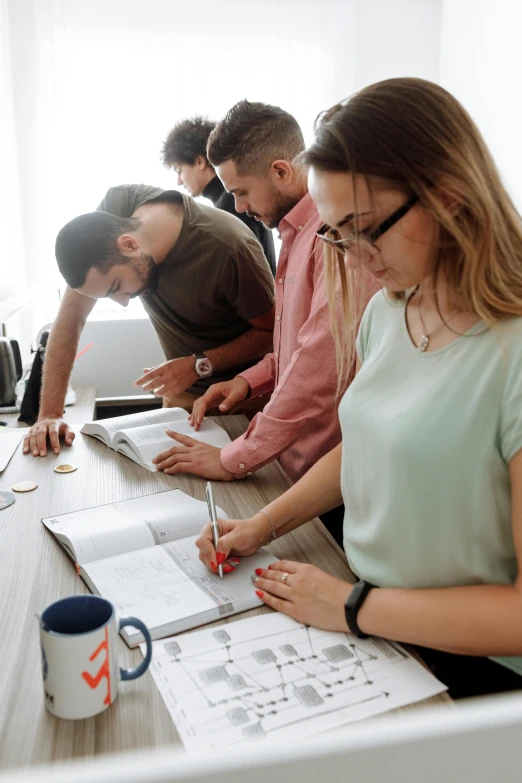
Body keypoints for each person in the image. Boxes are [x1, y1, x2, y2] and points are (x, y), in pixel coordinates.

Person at [195, 78, 522, 700]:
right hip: (375, 619)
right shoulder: (390, 310)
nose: (353, 257)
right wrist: (260, 526)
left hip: (475, 669)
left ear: (449, 199)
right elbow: (364, 444)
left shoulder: (513, 352)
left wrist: (351, 607)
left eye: (365, 228)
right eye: (337, 231)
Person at [152, 101, 365, 547]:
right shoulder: (292, 232)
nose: (239, 206)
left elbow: (319, 367)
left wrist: (234, 457)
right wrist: (248, 383)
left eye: (243, 192)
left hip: (329, 479)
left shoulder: (331, 235)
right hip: (290, 464)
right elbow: (296, 346)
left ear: (282, 171)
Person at [23, 184, 274, 458]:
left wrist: (199, 364)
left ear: (129, 245)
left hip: (248, 398)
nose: (123, 301)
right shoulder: (116, 213)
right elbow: (71, 317)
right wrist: (49, 414)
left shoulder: (229, 246)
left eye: (116, 286)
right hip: (183, 396)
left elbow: (273, 333)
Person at [162, 117, 276, 275]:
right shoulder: (231, 200)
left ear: (200, 161)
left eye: (179, 170)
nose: (179, 181)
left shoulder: (230, 204)